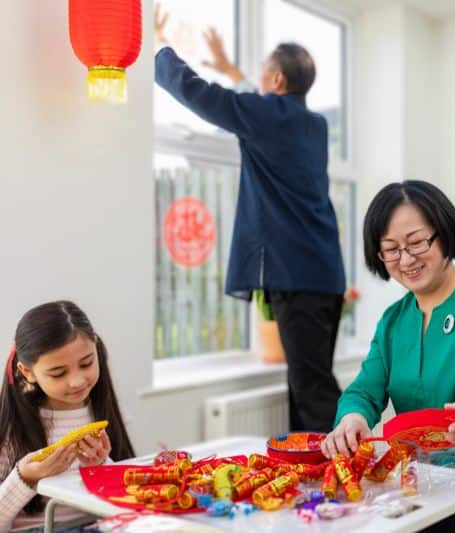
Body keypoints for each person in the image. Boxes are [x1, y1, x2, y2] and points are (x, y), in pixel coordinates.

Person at [154, 5, 346, 431]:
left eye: (263, 72)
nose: (257, 80)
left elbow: (202, 95)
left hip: (298, 277)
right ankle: (312, 481)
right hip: (323, 275)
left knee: (313, 392)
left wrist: (161, 50)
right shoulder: (311, 125)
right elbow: (258, 107)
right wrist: (229, 67)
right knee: (306, 385)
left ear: (277, 80)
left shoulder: (269, 117)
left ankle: (348, 481)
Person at [321, 180, 455, 532]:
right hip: (418, 492)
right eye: (390, 249)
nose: (406, 259)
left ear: (444, 233)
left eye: (417, 242)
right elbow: (364, 391)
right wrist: (353, 419)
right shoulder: (393, 321)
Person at [0, 301, 135, 532]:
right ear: (28, 373)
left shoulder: (107, 410)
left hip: (101, 524)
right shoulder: (12, 425)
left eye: (87, 363)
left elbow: (121, 502)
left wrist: (100, 466)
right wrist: (25, 478)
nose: (77, 381)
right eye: (58, 373)